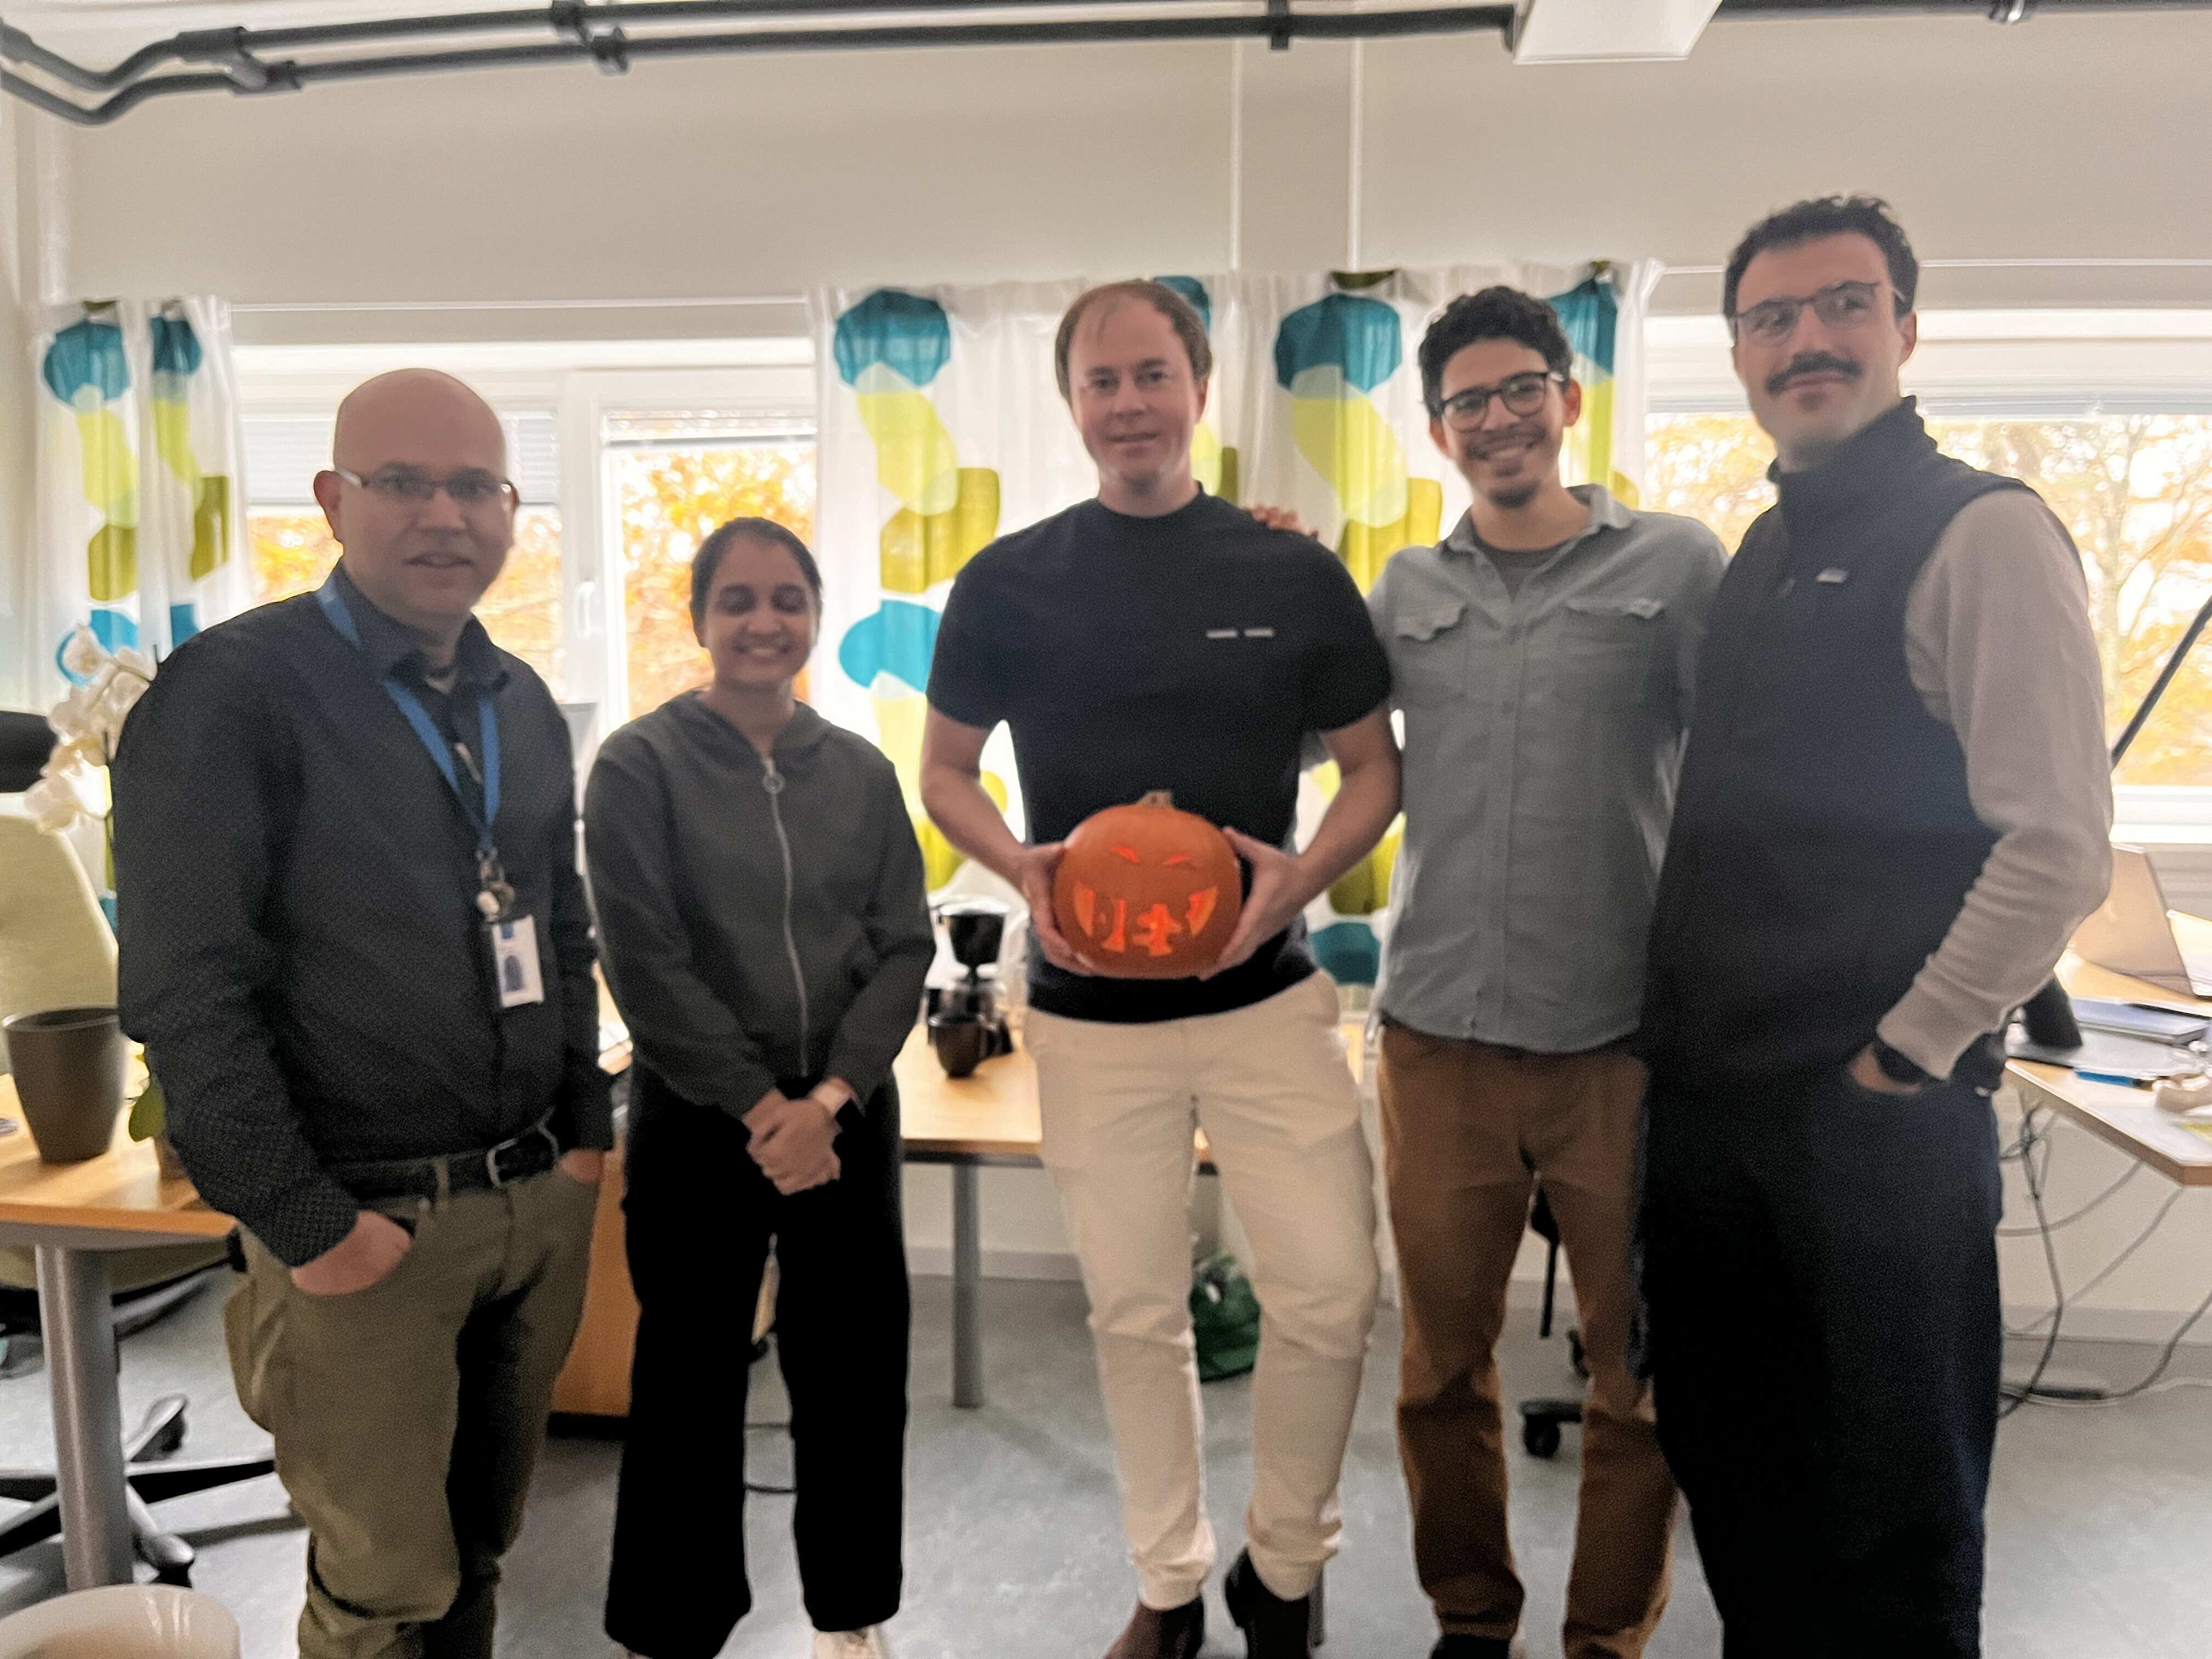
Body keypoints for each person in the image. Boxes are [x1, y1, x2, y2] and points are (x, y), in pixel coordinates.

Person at [1637, 196, 2113, 1655]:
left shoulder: (1981, 534)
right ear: (1737, 355)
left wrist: (1901, 1062)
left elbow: (2059, 850)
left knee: (1891, 1519)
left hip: (1867, 1127)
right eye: (1773, 319)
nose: (1809, 339)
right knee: (1740, 1478)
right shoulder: (1763, 556)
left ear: (1906, 327)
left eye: (1844, 305)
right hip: (1717, 1116)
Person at [921, 280, 1400, 1659]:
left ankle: (1287, 1569)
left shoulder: (1289, 572)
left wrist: (1297, 885)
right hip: (1088, 1017)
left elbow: (1374, 767)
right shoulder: (1008, 581)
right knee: (1136, 1311)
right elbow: (945, 772)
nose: (1128, 404)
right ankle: (1173, 1585)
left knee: (1329, 1290)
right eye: (1099, 382)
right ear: (1071, 403)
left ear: (1199, 386)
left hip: (1268, 1004)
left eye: (1152, 374)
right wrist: (1018, 867)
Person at [112, 369, 612, 1659]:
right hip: (365, 1221)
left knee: (482, 1550)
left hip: (529, 1207)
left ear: (510, 510)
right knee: (385, 1592)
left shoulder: (516, 703)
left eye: (475, 486)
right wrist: (305, 1224)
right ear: (334, 501)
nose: (444, 514)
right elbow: (184, 988)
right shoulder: (231, 695)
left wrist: (586, 1135)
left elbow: (557, 927)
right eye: (404, 482)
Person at [1363, 288, 1724, 1659]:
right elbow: (1318, 746)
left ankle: (1605, 1638)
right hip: (1438, 1040)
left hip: (1624, 1039)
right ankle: (1472, 1617)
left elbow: (1754, 756)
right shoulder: (1405, 592)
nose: (1498, 418)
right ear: (1440, 429)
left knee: (1640, 1376)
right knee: (1437, 1370)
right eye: (1468, 401)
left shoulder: (1681, 565)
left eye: (1523, 389)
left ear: (1571, 401)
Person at [585, 518, 931, 1659]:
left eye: (787, 598)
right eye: (736, 600)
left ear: (815, 618)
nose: (762, 621)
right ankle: (673, 1625)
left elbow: (901, 951)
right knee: (687, 1376)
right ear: (700, 620)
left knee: (852, 1370)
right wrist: (756, 1106)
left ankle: (851, 1612)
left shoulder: (866, 773)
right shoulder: (640, 766)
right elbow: (645, 961)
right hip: (699, 1113)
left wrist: (827, 1101)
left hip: (843, 1114)